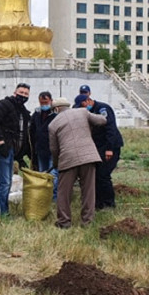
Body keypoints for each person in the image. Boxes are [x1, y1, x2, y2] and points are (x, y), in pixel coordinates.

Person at [48, 97, 106, 228]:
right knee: (88, 191)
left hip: (68, 159)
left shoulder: (53, 124)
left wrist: (57, 164)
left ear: (56, 109)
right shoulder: (83, 112)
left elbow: (54, 148)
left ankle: (64, 221)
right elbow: (102, 121)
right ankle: (87, 221)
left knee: (64, 193)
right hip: (88, 157)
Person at [0, 82, 31, 219]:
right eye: (21, 92)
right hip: (0, 149)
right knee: (5, 182)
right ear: (15, 92)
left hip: (11, 150)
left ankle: (4, 212)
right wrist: (1, 142)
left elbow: (22, 134)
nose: (23, 96)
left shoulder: (22, 111)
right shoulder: (4, 104)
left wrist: (20, 156)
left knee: (7, 182)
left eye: (26, 94)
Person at [74, 93, 125, 209]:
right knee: (96, 176)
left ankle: (108, 203)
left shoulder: (103, 109)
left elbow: (110, 129)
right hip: (98, 148)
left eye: (81, 106)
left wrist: (109, 149)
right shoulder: (88, 113)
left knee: (103, 175)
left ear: (87, 101)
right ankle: (98, 203)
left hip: (110, 147)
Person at [29, 91, 57, 201]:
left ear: (51, 101)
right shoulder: (36, 114)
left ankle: (54, 198)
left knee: (53, 175)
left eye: (46, 102)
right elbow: (32, 131)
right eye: (41, 102)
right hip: (40, 150)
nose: (44, 105)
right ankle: (44, 197)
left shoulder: (56, 115)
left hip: (52, 150)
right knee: (42, 174)